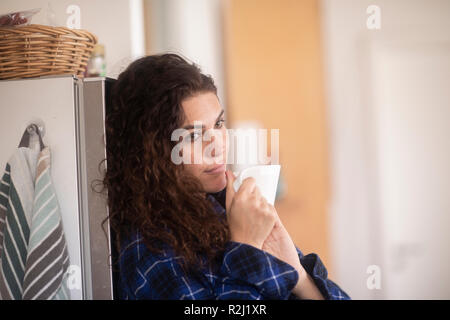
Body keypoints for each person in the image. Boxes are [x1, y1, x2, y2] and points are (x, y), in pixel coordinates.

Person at [104, 53, 350, 300]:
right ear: (152, 152)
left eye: (219, 124)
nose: (218, 146)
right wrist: (246, 247)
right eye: (193, 136)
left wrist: (296, 272)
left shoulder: (226, 207)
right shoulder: (151, 251)